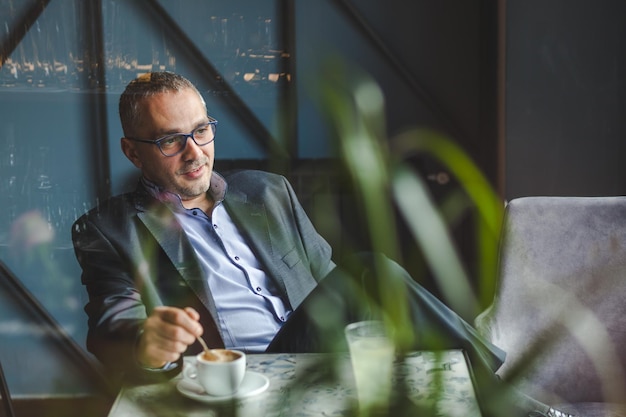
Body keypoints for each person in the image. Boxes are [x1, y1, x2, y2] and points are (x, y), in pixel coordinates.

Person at [71, 72, 572, 417]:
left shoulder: (265, 191)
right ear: (133, 152)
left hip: (309, 356)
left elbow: (329, 284)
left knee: (370, 282)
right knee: (373, 270)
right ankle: (511, 405)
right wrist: (148, 344)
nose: (195, 152)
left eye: (201, 130)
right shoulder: (106, 229)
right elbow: (111, 325)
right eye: (169, 140)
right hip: (230, 371)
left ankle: (497, 401)